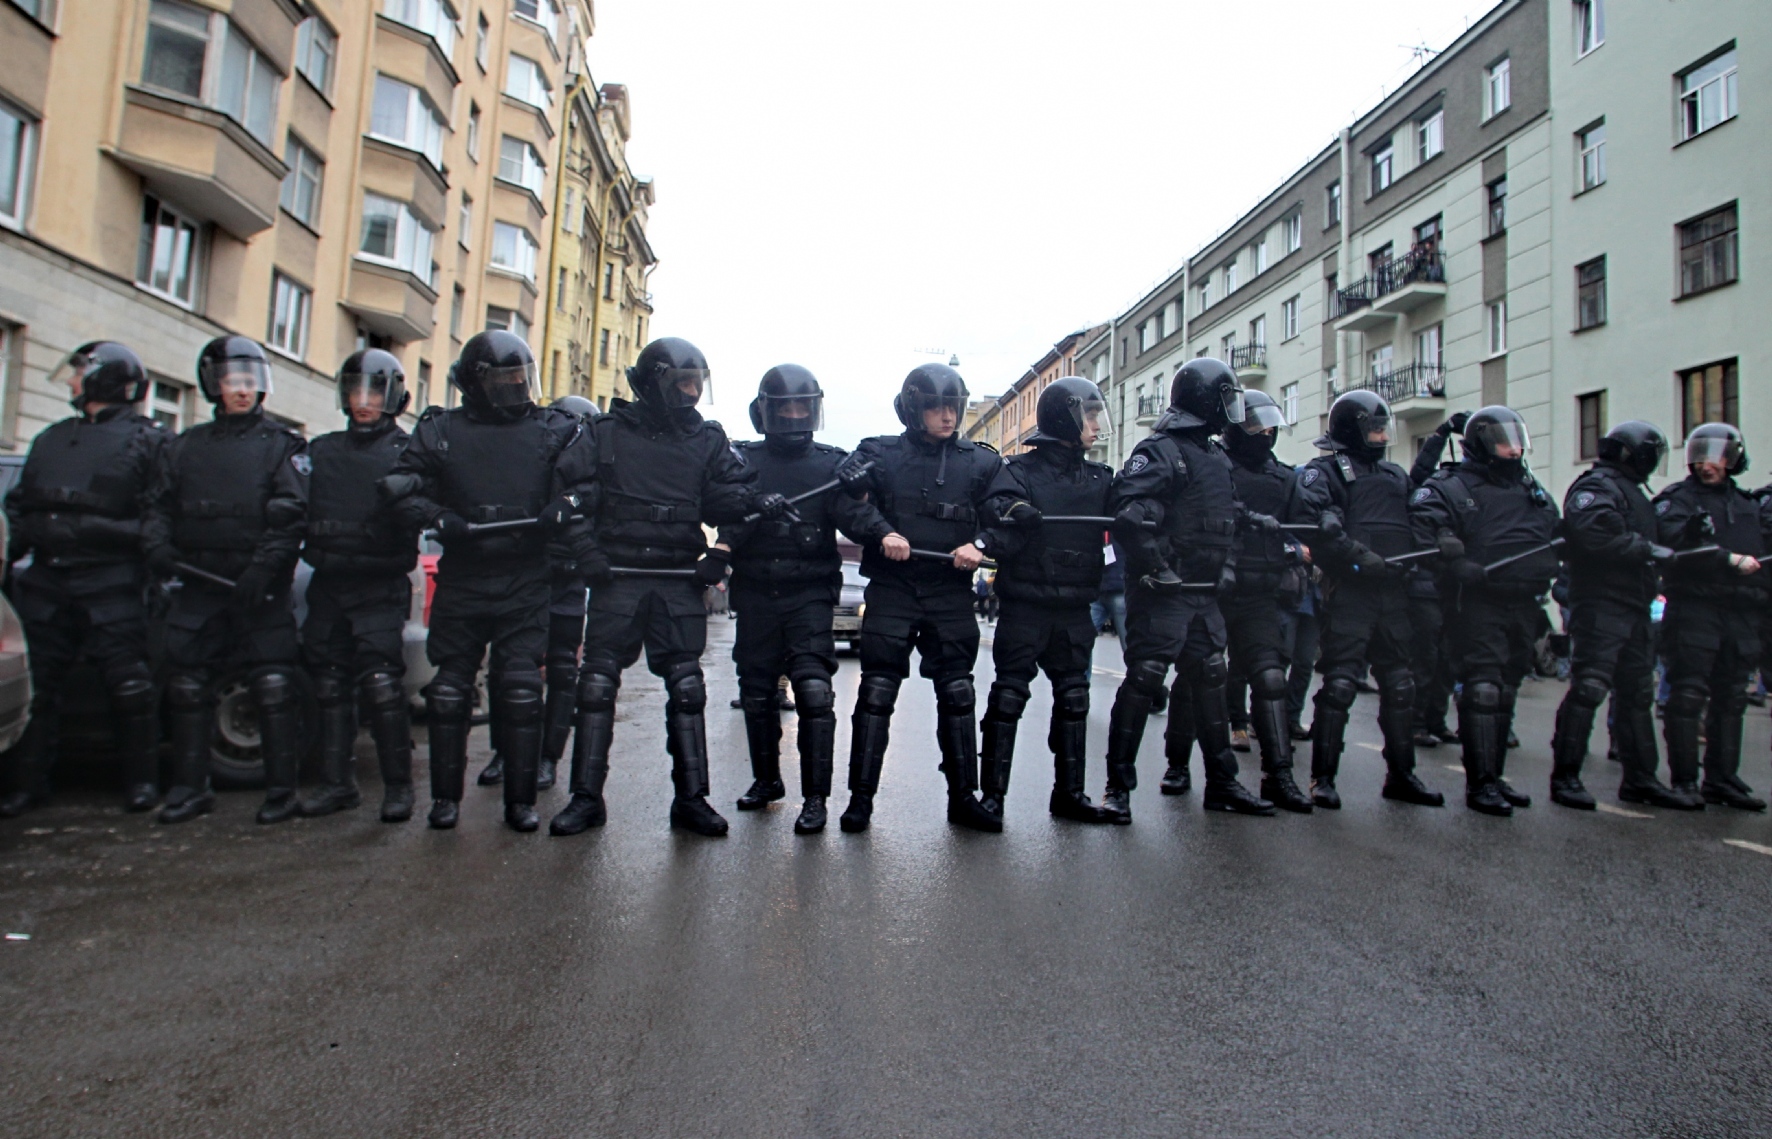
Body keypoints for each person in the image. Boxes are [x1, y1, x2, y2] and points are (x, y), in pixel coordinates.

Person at [548, 337, 778, 839]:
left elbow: (741, 501)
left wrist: (720, 553)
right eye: (682, 383)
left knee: (688, 688)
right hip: (619, 577)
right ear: (655, 383)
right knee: (597, 684)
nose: (693, 392)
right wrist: (586, 553)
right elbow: (568, 496)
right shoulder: (604, 433)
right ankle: (586, 798)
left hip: (678, 578)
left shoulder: (708, 440)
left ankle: (691, 800)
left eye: (698, 382)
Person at [380, 331, 597, 833]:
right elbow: (400, 485)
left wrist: (561, 508)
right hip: (465, 573)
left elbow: (589, 484)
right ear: (477, 383)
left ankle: (520, 802)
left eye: (522, 379)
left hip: (525, 575)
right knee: (451, 691)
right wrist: (438, 516)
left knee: (522, 687)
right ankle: (444, 801)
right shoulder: (442, 430)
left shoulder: (553, 429)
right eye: (505, 380)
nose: (516, 388)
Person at [1102, 357, 1277, 823]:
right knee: (1145, 680)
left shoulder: (1216, 455)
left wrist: (1238, 551)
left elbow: (1229, 514)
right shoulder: (1161, 450)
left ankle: (1221, 781)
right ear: (1206, 401)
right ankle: (1117, 787)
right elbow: (1131, 512)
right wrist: (1157, 567)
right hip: (1165, 589)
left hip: (1202, 591)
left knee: (1212, 680)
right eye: (1226, 398)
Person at [144, 337, 308, 825]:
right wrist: (157, 546)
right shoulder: (184, 447)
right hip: (198, 583)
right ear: (214, 385)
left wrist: (264, 568)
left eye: (250, 382)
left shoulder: (282, 446)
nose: (242, 390)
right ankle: (190, 788)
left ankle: (281, 792)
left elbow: (292, 515)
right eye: (233, 382)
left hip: (259, 587)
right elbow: (158, 505)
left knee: (274, 685)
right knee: (187, 686)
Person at [835, 363, 1005, 833]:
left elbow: (1010, 514)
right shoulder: (879, 454)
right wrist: (881, 530)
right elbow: (845, 502)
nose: (947, 416)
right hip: (894, 587)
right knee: (876, 692)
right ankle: (860, 800)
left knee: (957, 693)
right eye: (936, 407)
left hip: (950, 590)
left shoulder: (982, 462)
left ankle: (963, 797)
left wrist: (982, 544)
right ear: (914, 408)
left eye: (953, 406)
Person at [1, 342, 167, 818]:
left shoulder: (148, 440)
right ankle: (29, 784)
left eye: (79, 373)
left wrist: (105, 533)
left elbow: (160, 518)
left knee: (129, 686)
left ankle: (140, 783)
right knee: (39, 687)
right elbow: (19, 509)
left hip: (112, 581)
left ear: (103, 380)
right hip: (47, 580)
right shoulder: (52, 438)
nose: (72, 382)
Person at [715, 365, 875, 834]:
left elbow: (857, 517)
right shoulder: (741, 461)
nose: (792, 414)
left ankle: (815, 798)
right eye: (783, 406)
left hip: (808, 591)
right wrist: (743, 510)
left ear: (814, 408)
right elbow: (717, 503)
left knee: (812, 691)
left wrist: (870, 500)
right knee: (757, 691)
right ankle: (767, 781)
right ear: (764, 410)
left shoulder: (831, 463)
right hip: (758, 589)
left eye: (801, 405)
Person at [1293, 391, 1444, 810]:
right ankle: (1322, 778)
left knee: (1400, 685)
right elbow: (1318, 526)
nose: (1381, 435)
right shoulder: (1324, 473)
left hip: (1394, 592)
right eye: (1373, 428)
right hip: (1351, 593)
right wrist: (1357, 558)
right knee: (1340, 684)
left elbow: (1417, 520)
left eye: (1384, 427)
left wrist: (1439, 542)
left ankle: (1401, 774)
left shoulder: (1396, 475)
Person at [978, 377, 1117, 825]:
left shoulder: (1100, 478)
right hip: (1027, 604)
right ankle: (993, 797)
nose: (1096, 425)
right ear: (1067, 419)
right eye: (1090, 416)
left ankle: (1070, 795)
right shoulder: (1019, 470)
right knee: (1008, 699)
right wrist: (1013, 510)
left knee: (1075, 699)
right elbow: (996, 504)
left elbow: (1134, 508)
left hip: (1075, 606)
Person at [1410, 406, 1560, 816]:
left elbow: (1553, 527)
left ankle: (1495, 776)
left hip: (1524, 601)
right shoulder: (1454, 485)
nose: (1512, 449)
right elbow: (1424, 523)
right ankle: (1480, 785)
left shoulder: (1529, 488)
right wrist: (1452, 557)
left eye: (1516, 440)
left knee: (1507, 687)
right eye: (1502, 441)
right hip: (1476, 603)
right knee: (1483, 687)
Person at [296, 350, 420, 822]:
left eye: (374, 391)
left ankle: (398, 788)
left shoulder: (408, 453)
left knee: (383, 686)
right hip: (329, 583)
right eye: (356, 391)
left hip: (378, 587)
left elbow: (422, 514)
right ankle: (336, 783)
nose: (364, 401)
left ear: (392, 396)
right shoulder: (322, 450)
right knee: (329, 685)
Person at [1552, 421, 1692, 809]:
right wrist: (1643, 547)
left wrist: (1686, 535)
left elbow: (1655, 537)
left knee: (1636, 694)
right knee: (1590, 687)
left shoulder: (1635, 492)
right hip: (1601, 603)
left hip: (1635, 603)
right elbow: (1594, 533)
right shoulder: (1596, 487)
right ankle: (1565, 777)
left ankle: (1640, 778)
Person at [473, 394, 603, 793]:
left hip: (567, 578)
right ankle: (505, 751)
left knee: (563, 669)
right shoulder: (533, 462)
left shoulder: (597, 475)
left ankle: (548, 756)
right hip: (526, 574)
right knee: (509, 667)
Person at [1653, 423, 1770, 811]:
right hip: (1695, 610)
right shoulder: (1679, 500)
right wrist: (1722, 558)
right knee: (1687, 695)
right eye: (1700, 455)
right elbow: (1670, 541)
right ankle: (1685, 780)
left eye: (1717, 456)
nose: (1707, 464)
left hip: (1741, 612)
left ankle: (1722, 778)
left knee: (1732, 697)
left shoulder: (1748, 505)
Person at [1406, 412, 1469, 749]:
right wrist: (1442, 432)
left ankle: (1435, 719)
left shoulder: (1469, 492)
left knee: (1447, 659)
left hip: (1452, 587)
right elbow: (1420, 470)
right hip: (1424, 584)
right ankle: (1416, 721)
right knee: (1425, 659)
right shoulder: (1428, 490)